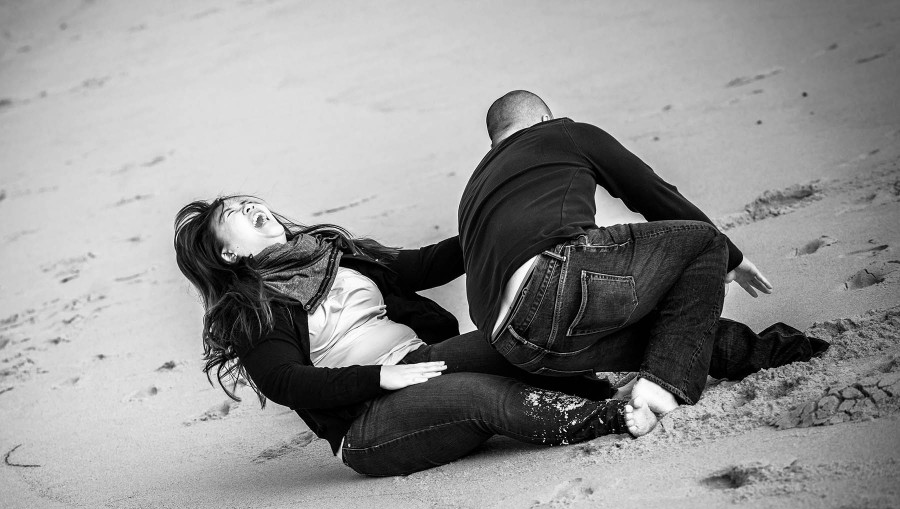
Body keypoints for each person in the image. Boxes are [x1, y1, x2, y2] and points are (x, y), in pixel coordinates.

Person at [173, 195, 656, 478]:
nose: (250, 205)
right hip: (368, 423)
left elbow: (426, 264)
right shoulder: (250, 309)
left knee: (520, 338)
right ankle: (606, 416)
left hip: (421, 359)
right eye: (234, 213)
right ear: (230, 254)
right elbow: (286, 381)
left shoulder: (333, 253)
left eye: (248, 199)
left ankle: (673, 355)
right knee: (479, 395)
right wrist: (380, 378)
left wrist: (504, 230)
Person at [457, 90, 827, 416]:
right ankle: (664, 384)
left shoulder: (473, 190)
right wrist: (731, 257)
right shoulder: (562, 133)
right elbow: (650, 192)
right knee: (703, 240)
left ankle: (790, 351)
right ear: (543, 118)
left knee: (673, 336)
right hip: (554, 287)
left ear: (495, 142)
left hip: (514, 343)